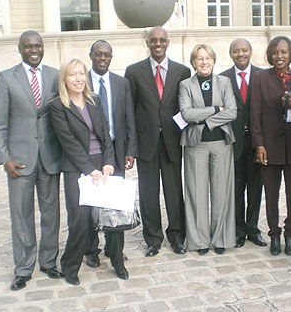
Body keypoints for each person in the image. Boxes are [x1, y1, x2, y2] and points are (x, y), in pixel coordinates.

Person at [0, 30, 63, 291]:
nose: (34, 50)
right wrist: (4, 158)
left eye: (38, 46)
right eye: (29, 47)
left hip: (50, 158)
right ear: (20, 49)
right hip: (19, 162)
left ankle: (48, 261)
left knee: (51, 215)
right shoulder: (6, 79)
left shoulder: (55, 76)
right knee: (21, 216)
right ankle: (23, 268)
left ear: (43, 48)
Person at [50, 59, 128, 285]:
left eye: (81, 74)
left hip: (103, 165)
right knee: (81, 220)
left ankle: (117, 261)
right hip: (77, 168)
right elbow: (68, 142)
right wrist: (89, 169)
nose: (78, 79)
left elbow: (105, 134)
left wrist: (108, 162)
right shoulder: (58, 106)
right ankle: (70, 265)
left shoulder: (94, 100)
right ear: (64, 79)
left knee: (113, 216)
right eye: (73, 75)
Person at [124, 26, 191, 257]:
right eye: (154, 40)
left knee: (174, 192)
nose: (158, 43)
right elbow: (129, 112)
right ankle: (153, 238)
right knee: (148, 194)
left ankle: (177, 236)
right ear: (148, 43)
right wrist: (130, 148)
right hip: (146, 143)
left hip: (172, 141)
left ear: (168, 42)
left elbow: (186, 108)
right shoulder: (134, 72)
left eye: (162, 40)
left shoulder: (182, 71)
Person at [84, 40, 137, 268]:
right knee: (91, 203)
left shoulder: (121, 83)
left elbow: (128, 118)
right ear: (91, 55)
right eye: (98, 54)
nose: (102, 58)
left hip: (116, 151)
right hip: (91, 151)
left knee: (116, 203)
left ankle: (115, 250)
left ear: (111, 57)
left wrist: (130, 150)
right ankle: (90, 249)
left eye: (106, 54)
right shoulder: (81, 81)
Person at [179, 44, 237, 255]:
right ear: (193, 63)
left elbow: (232, 112)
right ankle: (200, 241)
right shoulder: (185, 85)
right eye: (199, 58)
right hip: (196, 145)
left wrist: (207, 121)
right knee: (196, 192)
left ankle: (221, 238)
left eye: (208, 58)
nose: (204, 62)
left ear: (214, 60)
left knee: (222, 192)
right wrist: (214, 110)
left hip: (221, 143)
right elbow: (187, 114)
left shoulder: (224, 82)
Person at [251, 36, 291, 256]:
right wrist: (259, 145)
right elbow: (255, 113)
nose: (279, 56)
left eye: (283, 52)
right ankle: (274, 234)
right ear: (269, 55)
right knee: (271, 194)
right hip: (269, 145)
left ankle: (290, 234)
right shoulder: (260, 78)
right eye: (275, 52)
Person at [220, 38, 265, 248]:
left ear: (250, 52)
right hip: (233, 142)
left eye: (244, 50)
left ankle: (253, 229)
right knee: (236, 190)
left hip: (257, 142)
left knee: (255, 188)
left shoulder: (262, 76)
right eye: (236, 51)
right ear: (231, 54)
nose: (241, 54)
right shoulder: (223, 79)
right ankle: (238, 231)